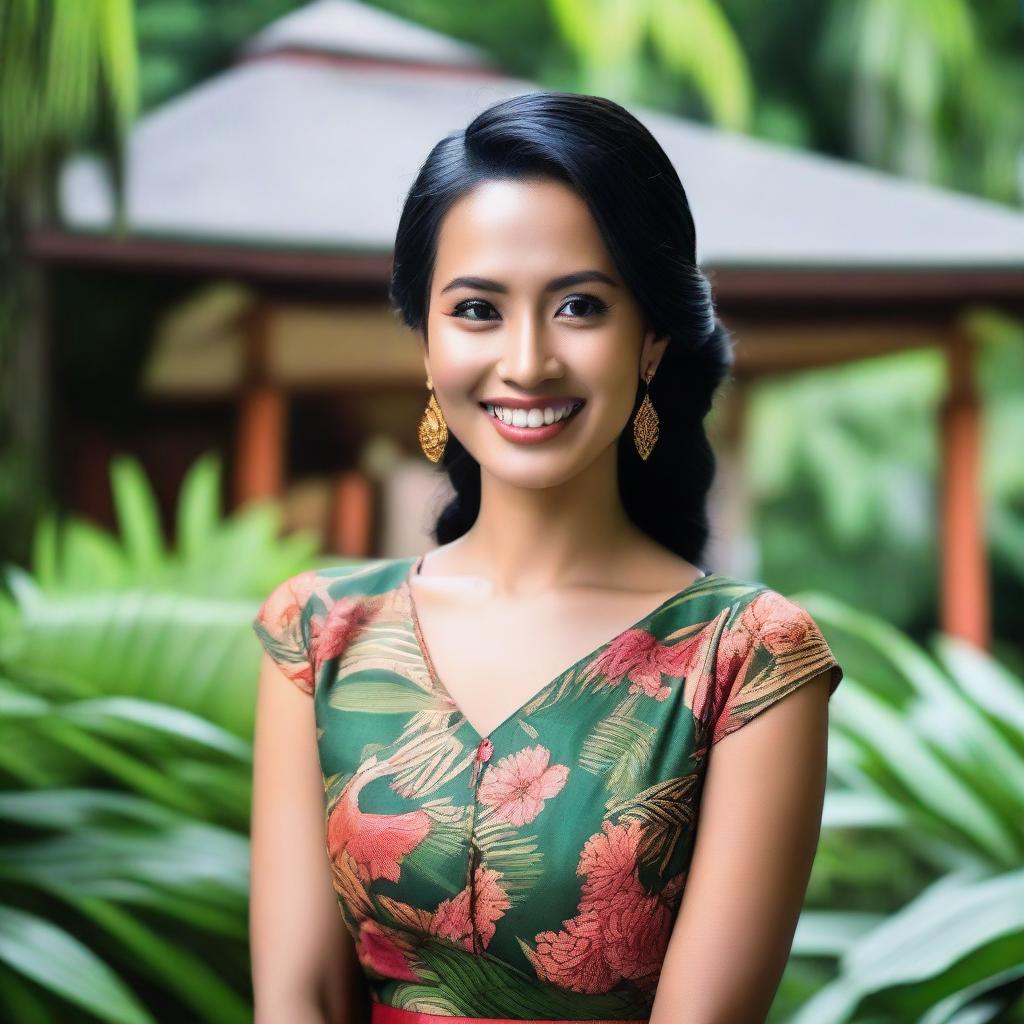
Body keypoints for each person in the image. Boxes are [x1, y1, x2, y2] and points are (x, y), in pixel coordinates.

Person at [249, 91, 843, 1024]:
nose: (527, 361)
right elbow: (297, 1003)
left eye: (578, 306)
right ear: (427, 341)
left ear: (650, 341)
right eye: (478, 309)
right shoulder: (320, 635)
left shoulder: (748, 657)